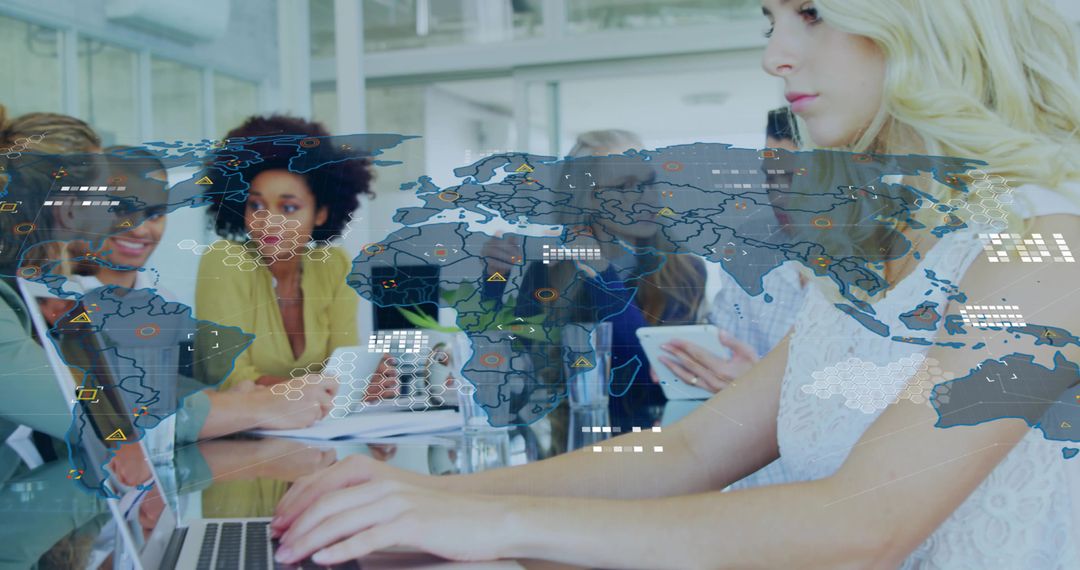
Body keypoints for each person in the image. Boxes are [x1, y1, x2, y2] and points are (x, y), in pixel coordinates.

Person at [270, 0, 1080, 567]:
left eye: (812, 12)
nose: (775, 55)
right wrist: (434, 495)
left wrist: (488, 518)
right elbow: (687, 446)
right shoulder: (865, 263)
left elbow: (864, 524)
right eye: (769, 21)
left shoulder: (1047, 247)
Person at [484, 129, 707, 424]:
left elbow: (649, 376)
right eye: (625, 186)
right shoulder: (548, 273)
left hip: (660, 442)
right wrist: (494, 280)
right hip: (569, 446)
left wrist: (601, 272)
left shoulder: (683, 270)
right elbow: (511, 368)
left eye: (649, 182)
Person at [197, 115, 395, 399]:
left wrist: (370, 378)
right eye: (256, 205)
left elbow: (344, 367)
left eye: (288, 208)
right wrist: (341, 388)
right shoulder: (225, 260)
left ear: (321, 213)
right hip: (243, 433)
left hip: (316, 431)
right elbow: (230, 380)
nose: (269, 220)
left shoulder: (332, 264)